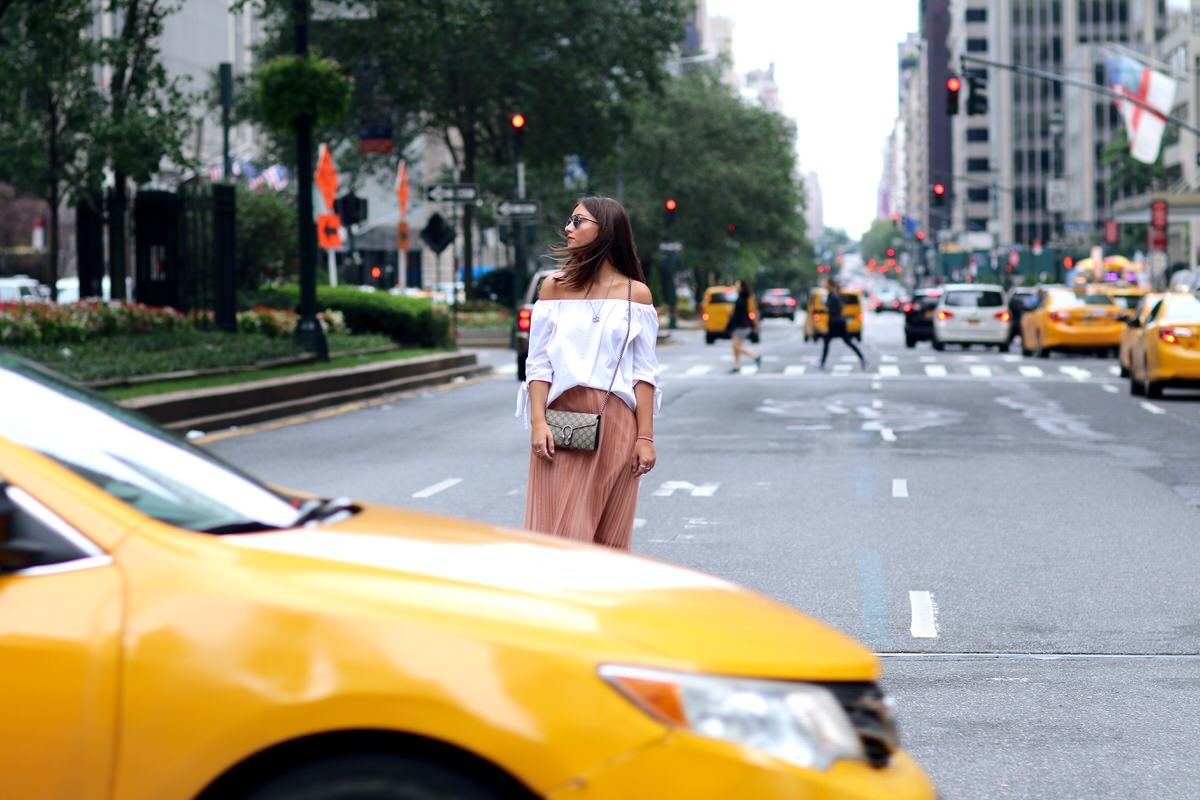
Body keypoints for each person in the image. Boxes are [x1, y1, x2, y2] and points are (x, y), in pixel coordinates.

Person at [516, 197, 661, 549]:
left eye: (578, 221)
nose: (568, 227)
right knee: (561, 532)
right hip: (561, 423)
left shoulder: (636, 295)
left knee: (608, 534)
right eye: (570, 220)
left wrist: (645, 437)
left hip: (616, 422)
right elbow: (538, 364)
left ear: (605, 230)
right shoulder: (553, 287)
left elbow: (643, 373)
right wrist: (538, 423)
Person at [819, 278, 867, 370]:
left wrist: (827, 309)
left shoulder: (832, 295)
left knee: (829, 341)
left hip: (836, 323)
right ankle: (862, 358)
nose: (824, 285)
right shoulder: (833, 295)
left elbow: (835, 308)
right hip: (839, 322)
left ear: (829, 285)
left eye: (825, 283)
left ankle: (822, 362)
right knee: (845, 341)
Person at [726, 279, 762, 373]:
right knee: (736, 347)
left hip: (741, 326)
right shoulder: (743, 297)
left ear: (741, 287)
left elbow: (738, 315)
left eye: (737, 285)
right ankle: (736, 366)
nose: (735, 286)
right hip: (742, 325)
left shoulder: (742, 299)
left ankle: (755, 356)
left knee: (736, 347)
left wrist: (732, 327)